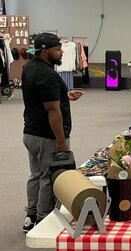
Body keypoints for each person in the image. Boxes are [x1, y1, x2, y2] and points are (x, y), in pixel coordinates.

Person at [21, 33, 84, 232]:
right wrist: (61, 141)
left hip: (30, 133)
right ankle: (44, 221)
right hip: (48, 136)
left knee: (36, 174)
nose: (61, 52)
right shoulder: (47, 75)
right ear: (44, 51)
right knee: (50, 178)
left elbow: (39, 96)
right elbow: (52, 111)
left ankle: (31, 216)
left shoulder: (30, 67)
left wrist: (64, 95)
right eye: (57, 49)